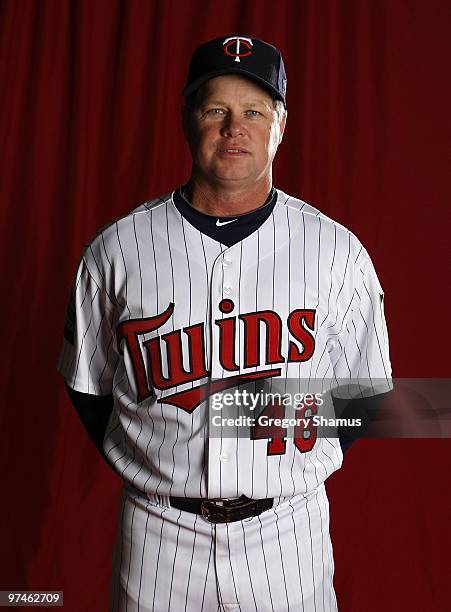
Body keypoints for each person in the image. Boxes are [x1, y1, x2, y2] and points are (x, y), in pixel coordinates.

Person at [58, 35, 392, 612]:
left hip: (287, 539)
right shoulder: (117, 250)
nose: (234, 127)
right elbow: (89, 390)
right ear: (187, 118)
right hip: (159, 539)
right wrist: (156, 454)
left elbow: (367, 390)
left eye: (254, 111)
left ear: (280, 125)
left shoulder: (337, 251)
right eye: (216, 109)